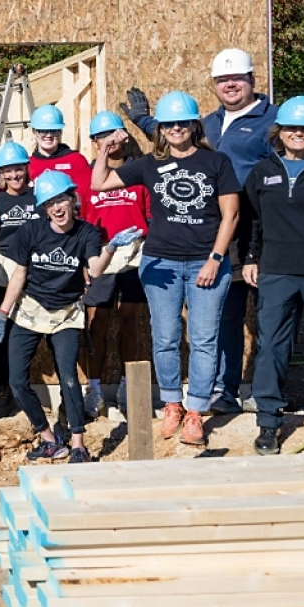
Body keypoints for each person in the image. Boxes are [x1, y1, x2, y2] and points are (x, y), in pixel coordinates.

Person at [123, 48, 277, 415]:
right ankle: (220, 392)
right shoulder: (208, 121)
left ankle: (234, 391)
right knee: (222, 315)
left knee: (247, 319)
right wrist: (145, 120)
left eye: (237, 79)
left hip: (251, 226)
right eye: (223, 80)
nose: (230, 86)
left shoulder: (270, 119)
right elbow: (177, 138)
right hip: (208, 228)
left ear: (253, 80)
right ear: (214, 85)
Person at [91, 91, 241, 447]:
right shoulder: (148, 164)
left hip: (207, 262)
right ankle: (172, 403)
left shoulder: (216, 162)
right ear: (160, 128)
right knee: (165, 337)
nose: (175, 129)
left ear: (193, 125)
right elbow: (98, 184)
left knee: (204, 339)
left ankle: (196, 412)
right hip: (161, 262)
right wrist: (103, 149)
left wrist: (215, 259)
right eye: (168, 124)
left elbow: (230, 215)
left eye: (181, 123)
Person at [0, 170, 140, 464]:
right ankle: (49, 440)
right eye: (51, 203)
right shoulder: (31, 232)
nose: (58, 208)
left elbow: (94, 270)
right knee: (17, 381)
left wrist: (110, 248)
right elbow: (19, 275)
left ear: (73, 200)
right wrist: (3, 313)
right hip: (29, 311)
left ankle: (78, 444)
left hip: (66, 314)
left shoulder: (87, 233)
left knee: (68, 378)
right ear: (44, 208)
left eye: (62, 200)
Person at [244, 96, 304, 454]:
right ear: (280, 131)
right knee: (272, 348)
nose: (299, 133)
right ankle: (268, 423)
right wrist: (251, 257)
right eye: (292, 127)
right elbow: (252, 220)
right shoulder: (264, 171)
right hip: (276, 271)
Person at [81, 111, 150, 419]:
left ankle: (128, 387)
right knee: (96, 325)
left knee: (129, 323)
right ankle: (94, 388)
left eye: (115, 134)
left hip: (135, 256)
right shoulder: (88, 179)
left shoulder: (139, 173)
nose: (110, 141)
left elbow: (149, 217)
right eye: (102, 137)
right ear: (95, 142)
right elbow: (81, 221)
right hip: (101, 257)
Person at [0, 141, 38, 421]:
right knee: (1, 337)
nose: (14, 175)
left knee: (34, 334)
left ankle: (28, 392)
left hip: (36, 274)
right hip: (0, 274)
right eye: (8, 170)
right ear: (0, 173)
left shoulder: (40, 198)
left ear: (26, 169)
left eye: (18, 169)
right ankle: (5, 391)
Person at [27, 104, 91, 214]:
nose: (48, 135)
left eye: (53, 131)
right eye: (43, 131)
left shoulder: (76, 160)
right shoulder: (28, 164)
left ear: (60, 132)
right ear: (34, 132)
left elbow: (88, 196)